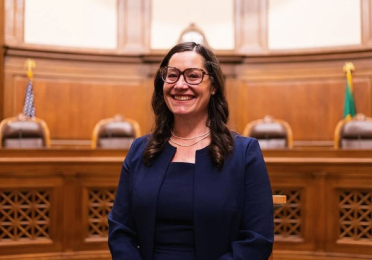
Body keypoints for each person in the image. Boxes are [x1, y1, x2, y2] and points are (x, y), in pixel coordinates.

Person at [108, 42, 274, 260]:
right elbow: (120, 231)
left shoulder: (244, 153)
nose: (180, 84)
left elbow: (257, 239)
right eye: (172, 75)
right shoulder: (140, 150)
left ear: (213, 86)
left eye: (193, 76)